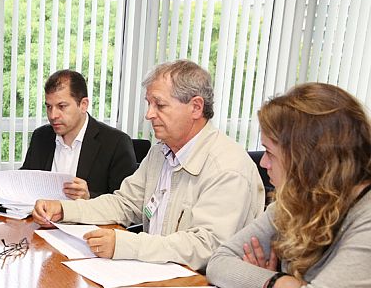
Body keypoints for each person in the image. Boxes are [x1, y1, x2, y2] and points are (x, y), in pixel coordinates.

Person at [34, 60, 264, 272]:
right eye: (149, 104)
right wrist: (64, 209)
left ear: (195, 107)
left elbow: (206, 247)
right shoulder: (160, 152)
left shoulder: (228, 167)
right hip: (157, 274)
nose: (149, 114)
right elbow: (124, 203)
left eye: (159, 105)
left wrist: (128, 244)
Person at [207, 83, 371, 288]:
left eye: (270, 152)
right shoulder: (298, 200)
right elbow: (219, 263)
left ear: (310, 160)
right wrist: (281, 283)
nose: (263, 162)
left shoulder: (366, 217)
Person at [21, 69, 136, 199]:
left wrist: (89, 197)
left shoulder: (116, 143)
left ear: (83, 105)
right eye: (49, 107)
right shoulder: (41, 137)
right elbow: (25, 183)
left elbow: (125, 203)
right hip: (41, 218)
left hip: (87, 219)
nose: (53, 115)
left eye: (62, 106)